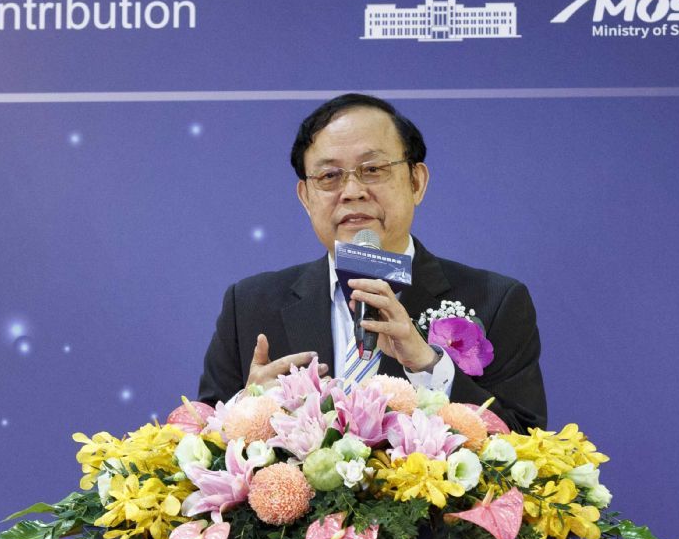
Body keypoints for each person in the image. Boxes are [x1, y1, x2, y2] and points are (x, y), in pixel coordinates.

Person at [196, 93, 547, 432]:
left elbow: (526, 441)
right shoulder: (249, 305)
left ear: (416, 182)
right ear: (305, 197)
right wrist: (246, 406)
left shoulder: (495, 301)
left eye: (373, 169)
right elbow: (194, 446)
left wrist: (429, 368)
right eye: (329, 176)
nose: (352, 191)